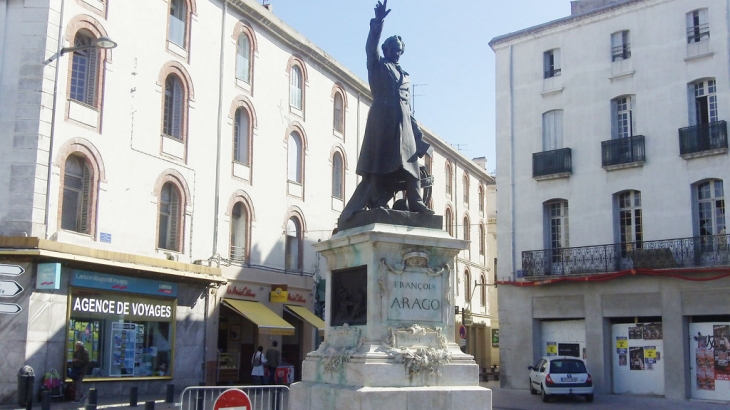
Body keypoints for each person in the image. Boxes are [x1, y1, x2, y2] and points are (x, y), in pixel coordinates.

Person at [340, 0, 434, 221]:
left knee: (411, 165)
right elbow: (370, 47)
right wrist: (378, 23)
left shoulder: (406, 76)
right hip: (382, 121)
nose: (397, 54)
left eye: (400, 51)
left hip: (404, 124)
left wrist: (418, 135)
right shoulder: (377, 65)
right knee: (379, 163)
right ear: (386, 50)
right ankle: (379, 201)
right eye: (394, 50)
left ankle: (417, 203)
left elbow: (408, 106)